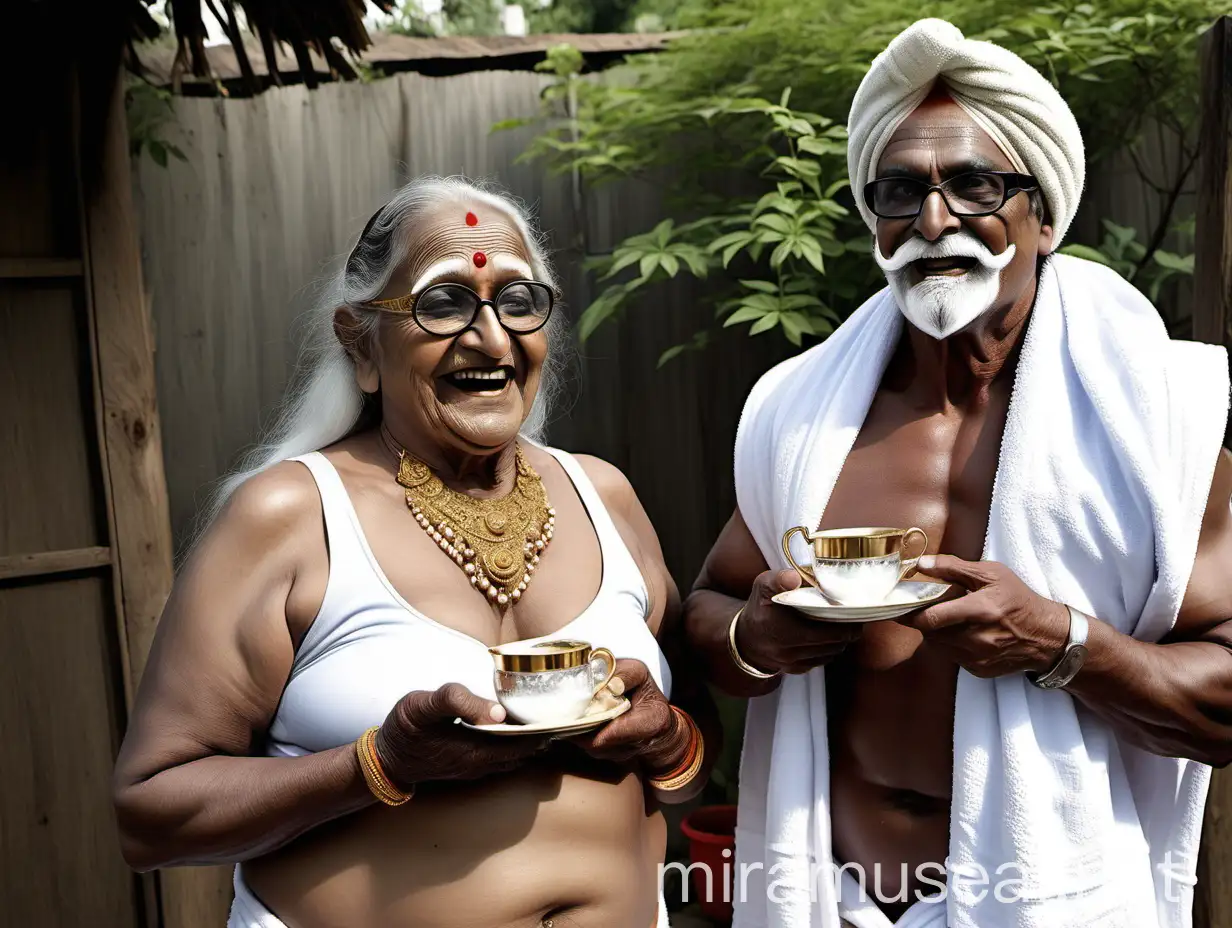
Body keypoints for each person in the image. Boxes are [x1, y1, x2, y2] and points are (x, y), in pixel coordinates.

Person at [683, 18, 1232, 928]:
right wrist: (757, 639)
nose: (932, 220)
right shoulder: (802, 414)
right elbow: (707, 613)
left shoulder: (1156, 418)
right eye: (899, 192)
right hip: (832, 897)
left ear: (1043, 216)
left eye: (973, 183)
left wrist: (1061, 643)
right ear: (875, 224)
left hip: (1056, 898)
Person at [113, 176, 718, 928]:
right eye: (444, 302)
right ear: (360, 342)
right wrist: (380, 765)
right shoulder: (292, 518)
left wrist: (669, 740)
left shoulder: (606, 498)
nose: (492, 338)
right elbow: (149, 817)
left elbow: (688, 762)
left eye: (519, 301)